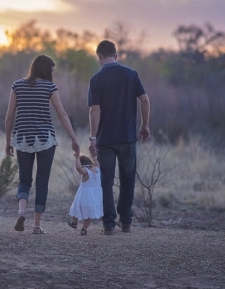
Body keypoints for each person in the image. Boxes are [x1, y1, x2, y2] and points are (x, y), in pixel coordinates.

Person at [5, 54, 80, 234]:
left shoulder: (17, 85)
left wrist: (8, 141)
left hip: (22, 138)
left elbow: (9, 116)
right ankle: (36, 225)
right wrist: (74, 139)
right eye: (51, 70)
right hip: (45, 139)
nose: (52, 74)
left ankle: (22, 210)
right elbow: (62, 115)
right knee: (42, 182)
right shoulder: (49, 87)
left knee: (24, 179)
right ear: (46, 70)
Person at [88, 40, 151, 235]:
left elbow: (94, 110)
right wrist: (144, 125)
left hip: (106, 139)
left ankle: (108, 224)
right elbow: (145, 99)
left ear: (99, 56)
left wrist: (92, 137)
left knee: (106, 181)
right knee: (128, 179)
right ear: (116, 56)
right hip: (127, 137)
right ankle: (126, 221)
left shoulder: (96, 79)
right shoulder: (131, 75)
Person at [68, 152, 103, 236]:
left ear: (83, 165)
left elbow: (78, 168)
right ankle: (84, 229)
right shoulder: (97, 170)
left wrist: (77, 158)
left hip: (84, 196)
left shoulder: (86, 172)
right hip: (95, 198)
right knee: (88, 215)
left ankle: (74, 222)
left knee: (75, 209)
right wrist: (94, 157)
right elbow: (97, 163)